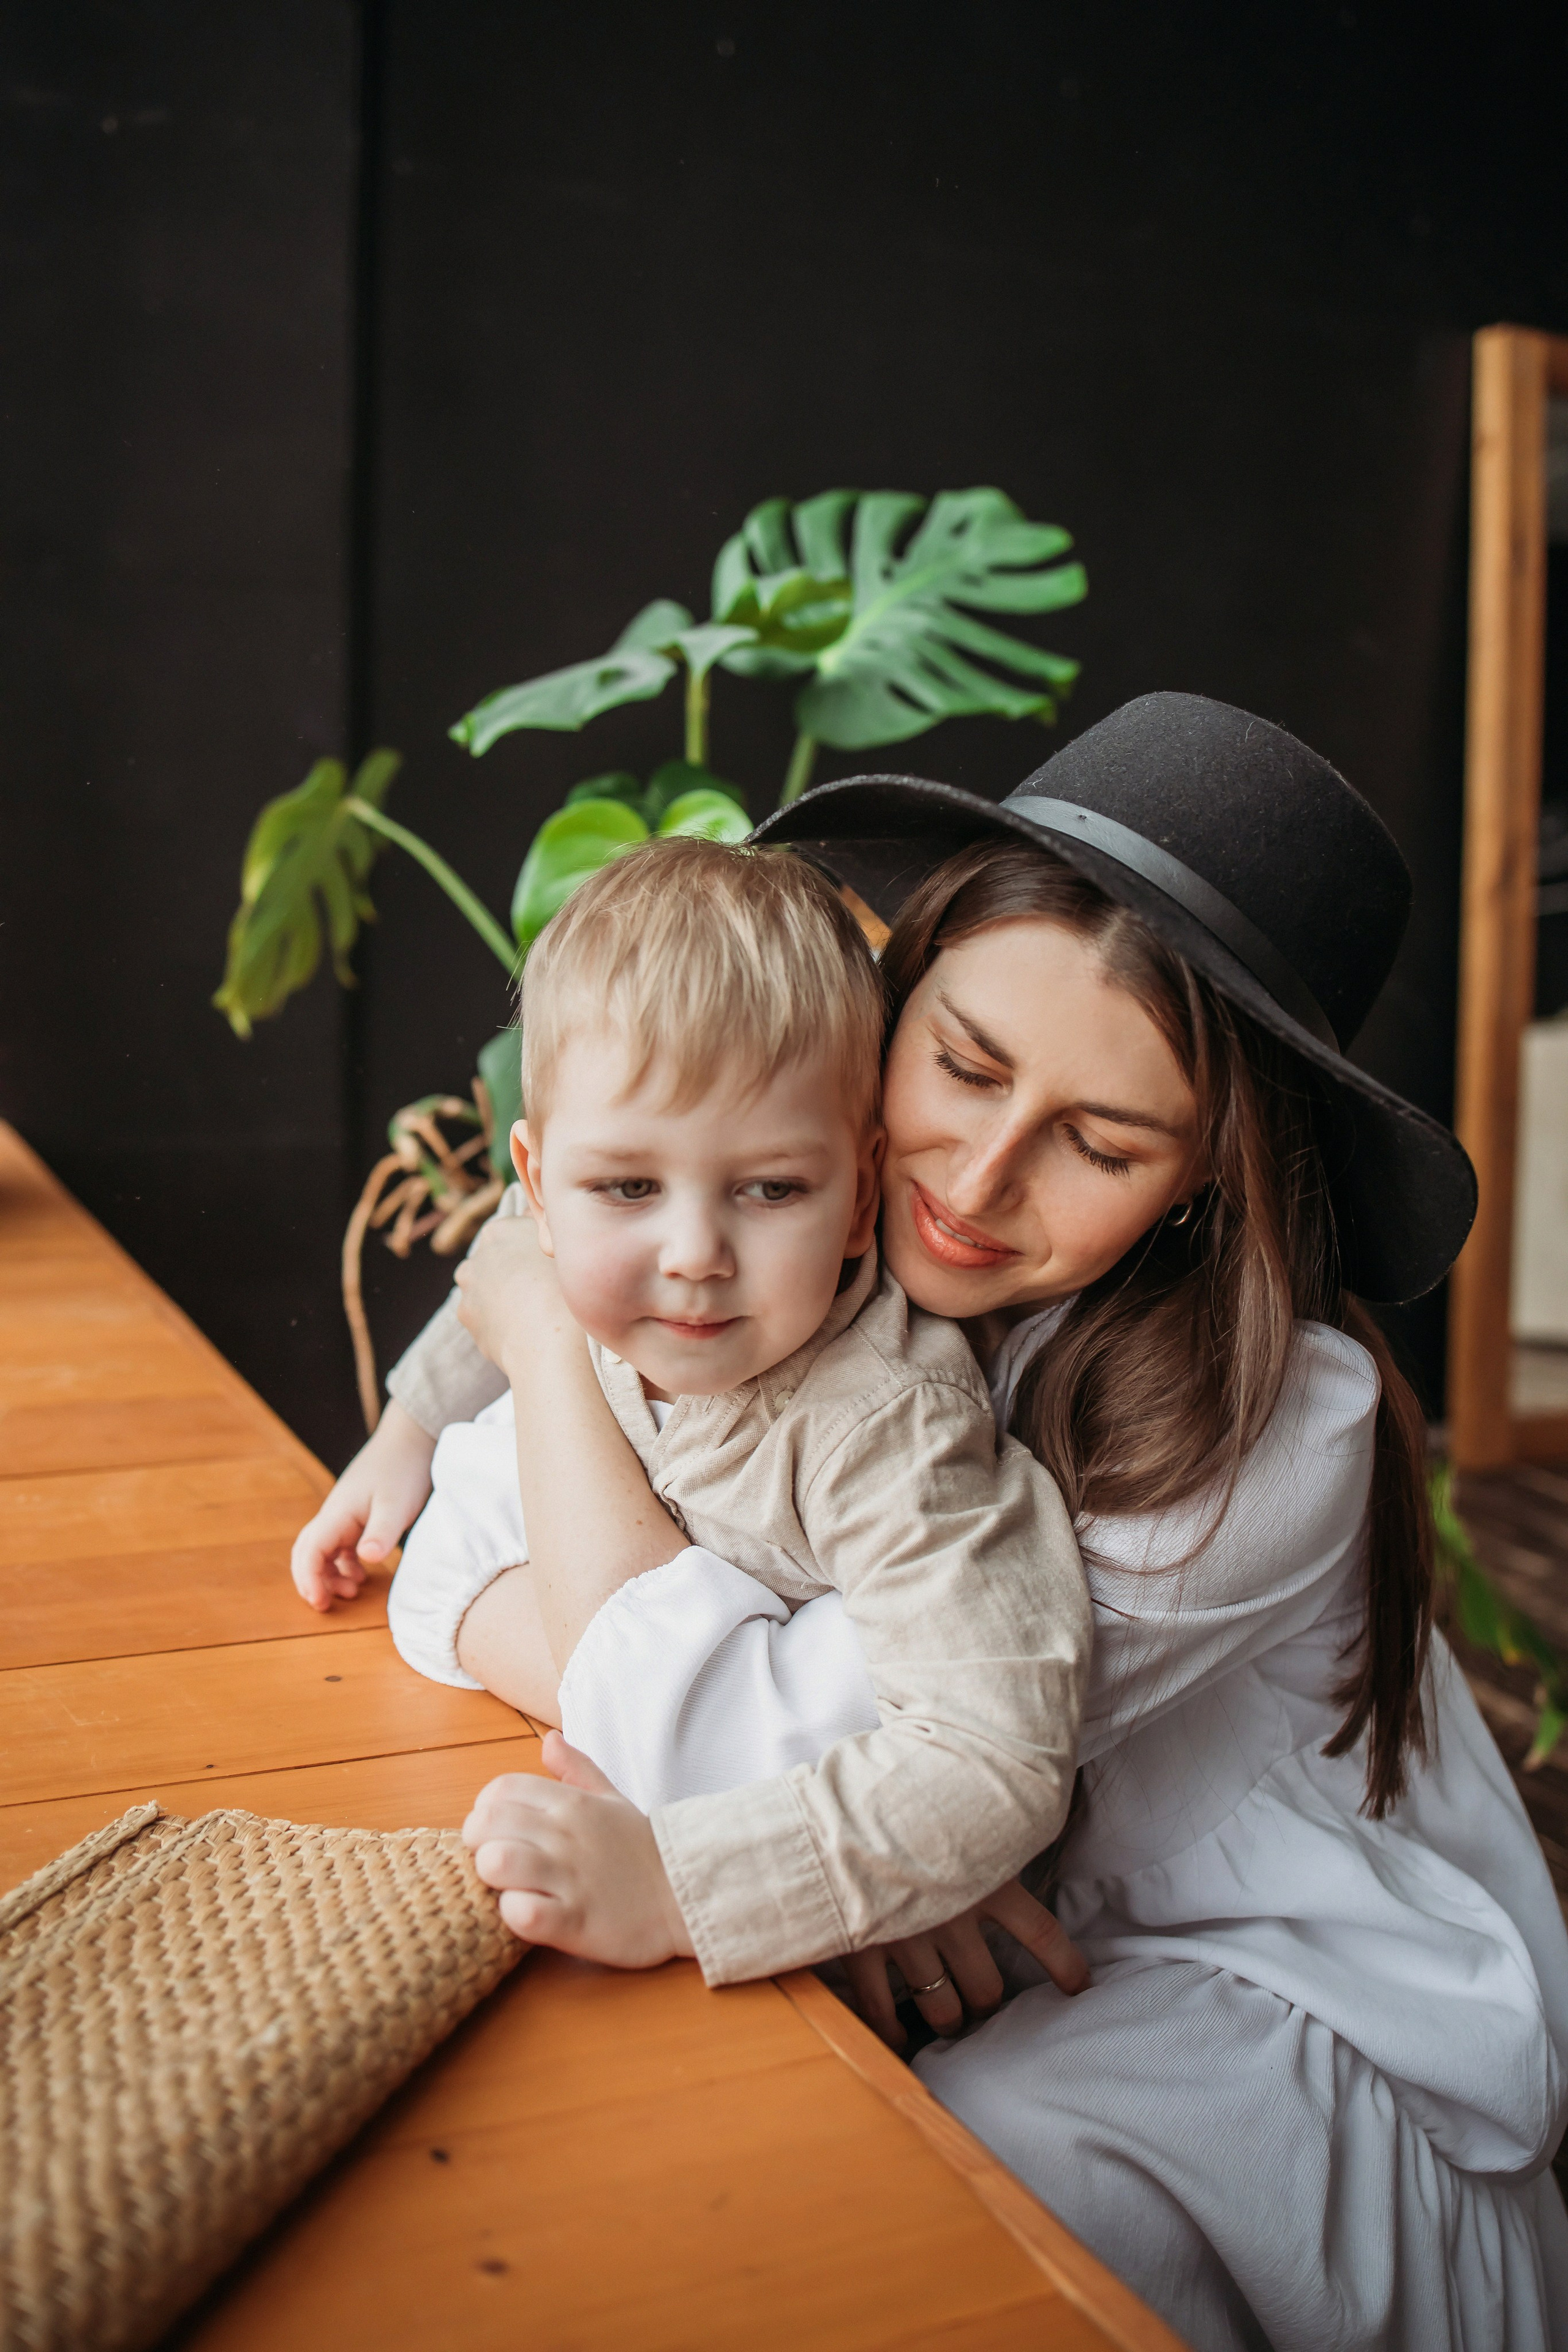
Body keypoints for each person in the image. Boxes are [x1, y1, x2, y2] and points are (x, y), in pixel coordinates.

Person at [449, 695, 1568, 2352]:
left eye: (1099, 1145)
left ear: (1207, 1175)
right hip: (989, 1970)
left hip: (1268, 2052)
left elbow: (739, 1740)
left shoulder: (1272, 1431)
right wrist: (908, 1847)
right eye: (960, 1064)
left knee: (897, 2200)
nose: (974, 1177)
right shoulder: (813, 1264)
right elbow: (450, 1555)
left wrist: (540, 1336)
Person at [294, 833, 1091, 1985]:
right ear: (540, 1178)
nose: (694, 1255)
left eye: (772, 1189)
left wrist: (681, 1880)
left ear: (862, 1191)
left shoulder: (887, 1435)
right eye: (627, 1188)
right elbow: (516, 1253)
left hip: (832, 1930)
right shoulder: (572, 1230)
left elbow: (994, 1756)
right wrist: (405, 1435)